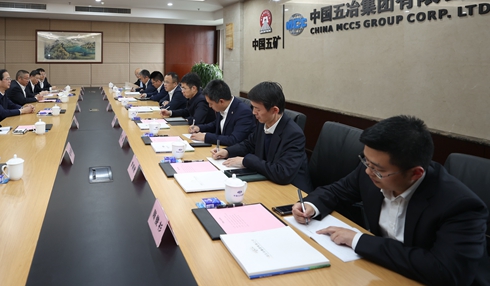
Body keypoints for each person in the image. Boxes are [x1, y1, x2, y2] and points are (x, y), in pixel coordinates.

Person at [293, 115, 490, 285]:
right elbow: (337, 191)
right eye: (366, 161)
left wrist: (358, 240)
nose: (368, 171)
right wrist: (310, 205)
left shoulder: (460, 205)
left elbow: (446, 272)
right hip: (381, 272)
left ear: (415, 173)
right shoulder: (372, 170)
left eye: (377, 169)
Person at [211, 81, 313, 192]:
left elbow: (283, 173)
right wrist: (227, 151)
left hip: (292, 191)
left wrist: (246, 161)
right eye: (253, 107)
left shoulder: (294, 134)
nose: (253, 112)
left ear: (274, 110)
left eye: (257, 109)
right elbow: (249, 144)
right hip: (268, 181)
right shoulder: (263, 122)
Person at [189, 79, 255, 146]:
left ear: (221, 102)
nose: (209, 106)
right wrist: (199, 128)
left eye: (211, 103)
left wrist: (206, 137)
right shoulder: (221, 107)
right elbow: (216, 124)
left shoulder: (244, 112)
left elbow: (234, 140)